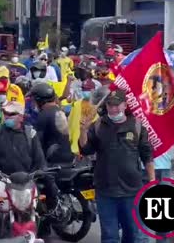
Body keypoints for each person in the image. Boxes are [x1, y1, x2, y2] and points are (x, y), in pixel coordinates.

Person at [79, 89, 154, 243]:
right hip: (105, 191)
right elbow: (86, 149)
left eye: (117, 105)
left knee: (132, 234)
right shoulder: (99, 125)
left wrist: (152, 181)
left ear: (124, 105)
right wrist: (83, 131)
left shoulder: (137, 126)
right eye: (110, 105)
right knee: (109, 236)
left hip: (131, 191)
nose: (113, 109)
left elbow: (147, 155)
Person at [0, 101, 46, 175]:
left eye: (11, 114)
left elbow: (39, 161)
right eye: (5, 113)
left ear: (21, 117)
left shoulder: (30, 134)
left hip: (26, 182)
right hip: (2, 181)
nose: (7, 116)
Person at [29, 83, 75, 165]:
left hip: (54, 163)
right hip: (69, 158)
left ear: (39, 100)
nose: (33, 103)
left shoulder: (44, 115)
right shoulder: (60, 111)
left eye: (34, 100)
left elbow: (37, 144)